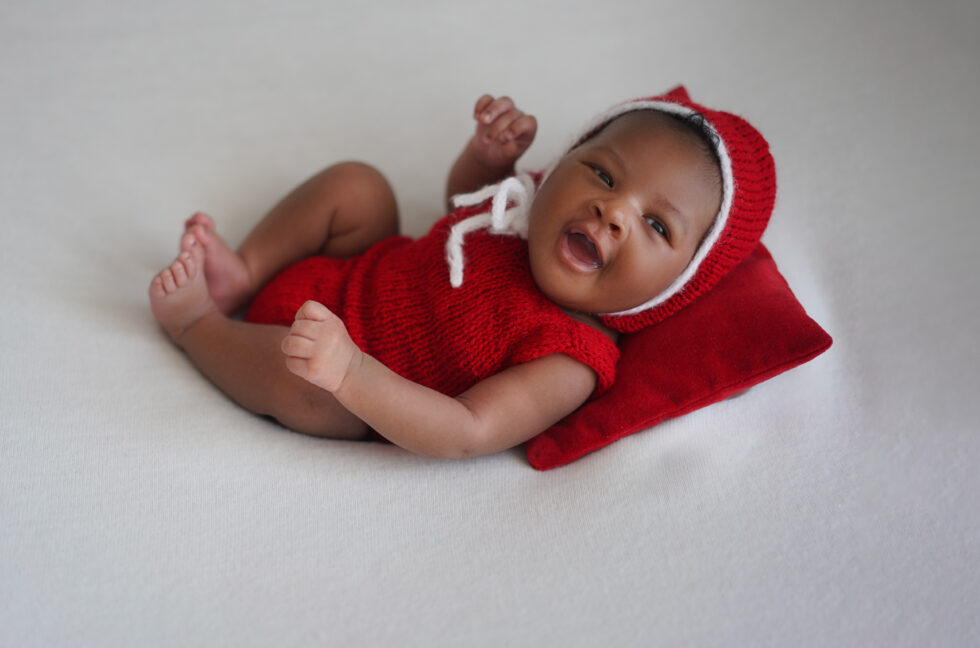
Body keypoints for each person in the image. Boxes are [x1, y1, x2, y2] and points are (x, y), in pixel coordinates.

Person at [148, 86, 776, 459]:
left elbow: (469, 430)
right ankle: (248, 269)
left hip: (350, 374)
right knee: (359, 186)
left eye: (656, 226)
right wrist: (485, 162)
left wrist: (352, 373)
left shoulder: (570, 358)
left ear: (678, 286)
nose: (612, 211)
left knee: (311, 395)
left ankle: (199, 325)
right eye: (603, 174)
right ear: (564, 160)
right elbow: (460, 205)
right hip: (355, 271)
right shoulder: (525, 213)